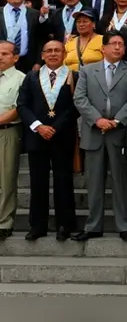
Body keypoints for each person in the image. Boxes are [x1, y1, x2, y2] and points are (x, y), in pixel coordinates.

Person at [72, 30, 127, 242]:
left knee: (121, 180)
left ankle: (125, 225)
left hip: (119, 132)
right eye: (113, 43)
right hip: (94, 131)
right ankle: (93, 226)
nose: (117, 47)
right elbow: (80, 98)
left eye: (121, 44)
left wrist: (117, 121)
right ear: (103, 48)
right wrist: (97, 120)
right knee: (94, 182)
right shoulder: (87, 70)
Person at [18, 40, 78, 241]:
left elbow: (76, 106)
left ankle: (65, 224)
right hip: (37, 136)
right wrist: (38, 126)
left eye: (57, 50)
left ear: (64, 54)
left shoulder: (73, 76)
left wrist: (56, 127)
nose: (53, 54)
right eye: (49, 51)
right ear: (42, 55)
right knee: (38, 183)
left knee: (63, 181)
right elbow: (22, 105)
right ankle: (37, 225)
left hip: (62, 136)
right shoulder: (32, 77)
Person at [0, 41, 24, 238]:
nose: (0, 57)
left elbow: (19, 108)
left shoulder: (21, 79)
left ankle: (4, 222)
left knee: (6, 179)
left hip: (7, 132)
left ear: (15, 57)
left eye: (5, 54)